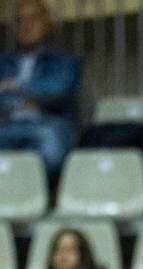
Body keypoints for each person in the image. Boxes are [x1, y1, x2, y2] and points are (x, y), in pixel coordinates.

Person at [0, 0, 81, 176]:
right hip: (6, 124)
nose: (26, 25)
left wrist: (13, 86)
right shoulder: (4, 61)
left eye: (33, 18)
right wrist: (29, 96)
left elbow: (58, 90)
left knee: (50, 144)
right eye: (20, 20)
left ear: (48, 23)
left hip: (47, 123)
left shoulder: (65, 60)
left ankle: (26, 188)